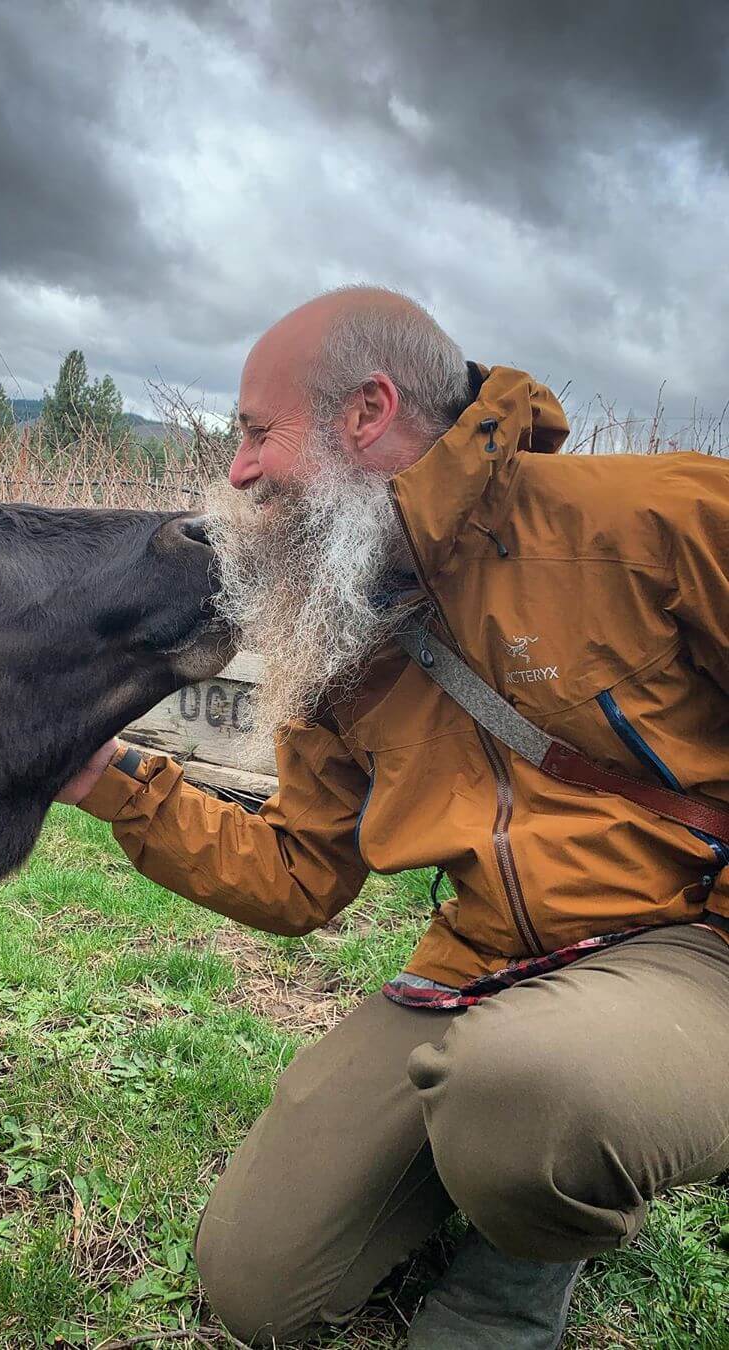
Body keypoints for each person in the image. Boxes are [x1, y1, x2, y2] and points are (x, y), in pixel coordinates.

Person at [58, 289, 729, 1348]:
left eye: (254, 432)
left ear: (367, 413)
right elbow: (295, 874)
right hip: (487, 966)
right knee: (255, 1285)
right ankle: (518, 1144)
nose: (237, 470)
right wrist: (111, 780)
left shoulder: (661, 518)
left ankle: (516, 1275)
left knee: (530, 1094)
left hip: (696, 945)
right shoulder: (341, 624)